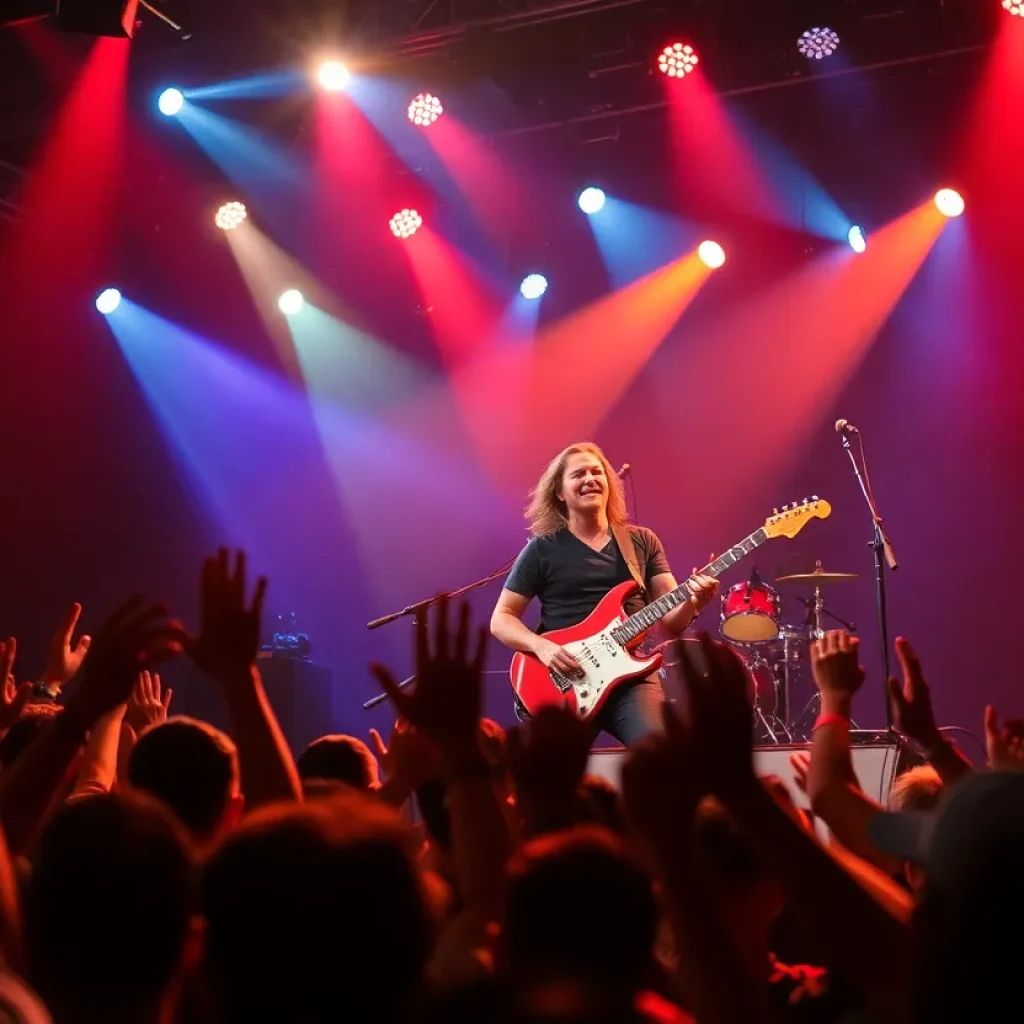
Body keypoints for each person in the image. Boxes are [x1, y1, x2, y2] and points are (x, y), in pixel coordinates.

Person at [490, 442, 718, 745]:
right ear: (559, 492)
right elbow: (501, 619)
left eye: (597, 472)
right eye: (578, 474)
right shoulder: (541, 548)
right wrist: (542, 647)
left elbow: (671, 621)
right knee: (551, 781)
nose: (590, 479)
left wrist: (694, 602)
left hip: (630, 680)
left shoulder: (641, 541)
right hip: (566, 678)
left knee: (662, 757)